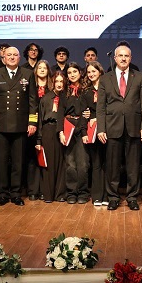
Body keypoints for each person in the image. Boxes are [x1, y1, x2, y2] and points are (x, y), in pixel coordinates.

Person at [96, 44, 142, 210]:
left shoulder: (139, 77)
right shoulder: (106, 78)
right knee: (112, 167)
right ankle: (113, 197)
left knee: (133, 167)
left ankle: (132, 197)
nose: (123, 58)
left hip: (134, 127)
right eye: (120, 55)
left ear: (131, 58)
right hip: (112, 128)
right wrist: (101, 128)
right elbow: (101, 107)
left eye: (126, 55)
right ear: (115, 58)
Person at [0, 45, 38, 207]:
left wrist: (32, 122)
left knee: (18, 162)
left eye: (15, 55)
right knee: (1, 162)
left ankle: (16, 193)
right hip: (0, 125)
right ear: (3, 57)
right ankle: (3, 194)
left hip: (20, 125)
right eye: (9, 55)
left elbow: (32, 101)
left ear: (19, 58)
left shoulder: (28, 74)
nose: (12, 57)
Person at [36, 70, 66, 203]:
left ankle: (60, 194)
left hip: (63, 130)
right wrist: (39, 139)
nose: (59, 84)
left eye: (61, 81)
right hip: (48, 130)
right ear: (52, 82)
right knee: (48, 162)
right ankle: (48, 194)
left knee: (61, 162)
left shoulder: (66, 97)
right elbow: (40, 119)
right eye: (56, 81)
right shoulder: (46, 98)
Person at [63, 61, 90, 204]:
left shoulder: (86, 91)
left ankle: (83, 192)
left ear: (80, 73)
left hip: (82, 128)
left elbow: (89, 110)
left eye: (74, 72)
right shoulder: (64, 92)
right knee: (70, 163)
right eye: (69, 73)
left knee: (83, 163)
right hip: (68, 128)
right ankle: (71, 192)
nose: (72, 75)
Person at [80, 60, 107, 206]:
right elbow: (84, 113)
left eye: (94, 71)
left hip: (108, 129)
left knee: (108, 163)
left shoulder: (108, 87)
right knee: (96, 163)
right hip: (92, 131)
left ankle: (108, 195)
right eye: (89, 72)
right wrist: (84, 132)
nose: (91, 74)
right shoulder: (86, 92)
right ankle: (97, 195)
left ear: (100, 71)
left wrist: (98, 117)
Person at [26, 60, 51, 200]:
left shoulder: (53, 87)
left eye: (44, 68)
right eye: (39, 68)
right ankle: (32, 190)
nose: (42, 70)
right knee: (32, 159)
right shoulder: (31, 86)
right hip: (32, 125)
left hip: (47, 127)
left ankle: (44, 189)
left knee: (45, 158)